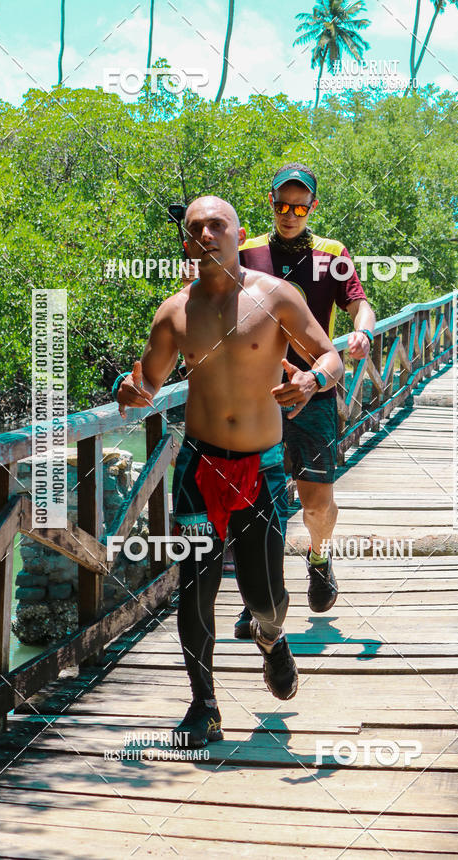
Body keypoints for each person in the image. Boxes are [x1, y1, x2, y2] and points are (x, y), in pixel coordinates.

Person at [115, 195, 343, 747]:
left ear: (239, 234)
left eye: (219, 225)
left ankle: (271, 637)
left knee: (266, 598)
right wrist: (131, 389)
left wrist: (312, 380)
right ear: (187, 242)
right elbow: (147, 381)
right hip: (199, 467)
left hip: (261, 467)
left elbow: (330, 357)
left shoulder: (276, 297)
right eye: (197, 228)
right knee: (196, 590)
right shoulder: (174, 312)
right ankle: (204, 706)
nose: (208, 234)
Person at [233, 162, 375, 637]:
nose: (289, 213)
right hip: (257, 391)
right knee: (253, 501)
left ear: (312, 206)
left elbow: (359, 303)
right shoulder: (246, 251)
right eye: (281, 204)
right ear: (269, 203)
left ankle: (319, 555)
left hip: (315, 386)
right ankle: (259, 596)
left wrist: (363, 333)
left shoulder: (331, 254)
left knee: (315, 503)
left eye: (299, 205)